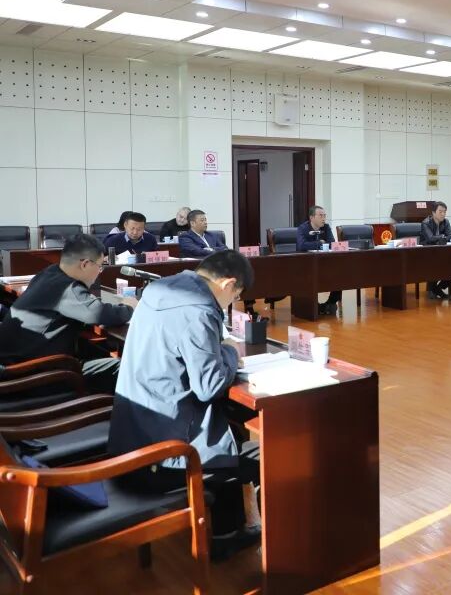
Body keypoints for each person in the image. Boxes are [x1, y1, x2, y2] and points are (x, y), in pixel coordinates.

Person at [107, 250, 260, 559]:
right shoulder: (199, 309)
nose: (230, 303)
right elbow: (209, 386)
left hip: (131, 432)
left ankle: (227, 523)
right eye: (236, 296)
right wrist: (230, 352)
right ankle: (224, 539)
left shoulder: (159, 289)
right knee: (258, 455)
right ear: (228, 284)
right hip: (163, 454)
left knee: (229, 429)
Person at [3, 234, 131, 392]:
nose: (100, 272)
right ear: (85, 264)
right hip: (30, 375)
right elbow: (99, 314)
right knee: (122, 366)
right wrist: (130, 307)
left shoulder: (48, 273)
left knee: (93, 349)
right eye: (100, 266)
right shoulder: (67, 288)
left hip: (15, 363)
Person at [296, 205, 341, 316]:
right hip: (306, 265)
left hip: (323, 263)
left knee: (338, 273)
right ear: (311, 217)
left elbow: (332, 243)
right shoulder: (303, 228)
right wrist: (319, 243)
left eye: (324, 215)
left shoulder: (326, 227)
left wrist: (316, 244)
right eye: (320, 216)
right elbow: (301, 246)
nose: (323, 218)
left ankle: (331, 302)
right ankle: (312, 305)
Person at [420, 202, 451, 299]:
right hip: (427, 253)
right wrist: (443, 236)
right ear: (433, 213)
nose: (443, 214)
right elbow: (430, 238)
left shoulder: (446, 222)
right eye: (440, 211)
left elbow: (450, 236)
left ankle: (437, 288)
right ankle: (433, 289)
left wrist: (442, 238)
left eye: (444, 212)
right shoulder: (425, 223)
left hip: (442, 252)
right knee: (435, 263)